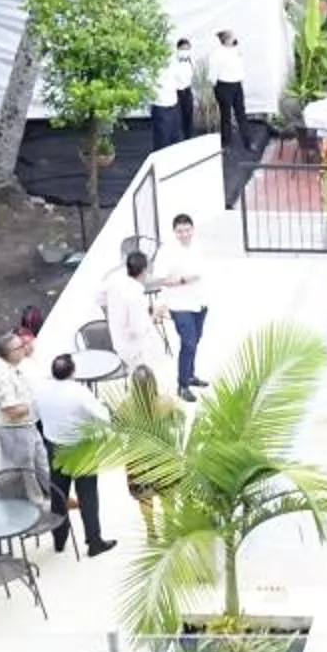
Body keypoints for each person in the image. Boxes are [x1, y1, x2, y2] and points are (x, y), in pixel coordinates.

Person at [39, 352, 117, 558]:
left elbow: (36, 414)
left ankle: (59, 539)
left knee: (58, 494)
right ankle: (94, 542)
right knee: (88, 495)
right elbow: (103, 416)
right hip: (81, 449)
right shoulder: (79, 393)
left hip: (55, 447)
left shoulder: (41, 389)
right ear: (73, 372)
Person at [0, 331, 55, 541]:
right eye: (19, 347)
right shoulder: (2, 376)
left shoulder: (14, 366)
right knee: (28, 472)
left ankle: (56, 496)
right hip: (16, 430)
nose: (24, 349)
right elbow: (12, 410)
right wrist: (33, 403)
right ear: (9, 353)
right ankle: (38, 510)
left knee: (42, 462)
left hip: (29, 425)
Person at [119, 364, 184, 538]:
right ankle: (169, 526)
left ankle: (151, 530)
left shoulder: (126, 405)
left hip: (137, 459)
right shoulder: (166, 402)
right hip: (163, 455)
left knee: (145, 498)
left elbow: (120, 429)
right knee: (168, 495)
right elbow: (179, 422)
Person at [157, 214, 209, 394]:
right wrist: (183, 279)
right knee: (188, 343)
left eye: (187, 230)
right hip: (180, 305)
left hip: (200, 302)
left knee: (195, 341)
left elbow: (202, 271)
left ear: (192, 229)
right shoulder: (167, 251)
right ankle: (182, 385)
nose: (184, 234)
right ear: (175, 232)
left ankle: (190, 375)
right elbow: (161, 279)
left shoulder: (198, 245)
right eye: (180, 231)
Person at [102, 248, 167, 386]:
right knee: (145, 382)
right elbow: (139, 329)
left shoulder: (114, 280)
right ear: (144, 270)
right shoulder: (134, 296)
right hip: (136, 348)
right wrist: (154, 314)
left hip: (119, 339)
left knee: (136, 378)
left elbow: (99, 297)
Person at [211, 28, 249, 152]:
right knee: (226, 116)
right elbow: (213, 73)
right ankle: (226, 144)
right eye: (232, 36)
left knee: (241, 114)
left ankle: (247, 142)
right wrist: (215, 88)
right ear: (226, 39)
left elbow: (241, 65)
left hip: (237, 85)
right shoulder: (217, 53)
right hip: (224, 86)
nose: (234, 38)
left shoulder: (236, 50)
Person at [159, 38, 199, 146]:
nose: (185, 51)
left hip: (187, 90)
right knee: (177, 118)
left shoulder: (190, 60)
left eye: (187, 49)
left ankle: (188, 139)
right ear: (178, 49)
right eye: (183, 49)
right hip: (177, 92)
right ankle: (177, 142)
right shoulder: (172, 62)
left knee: (188, 116)